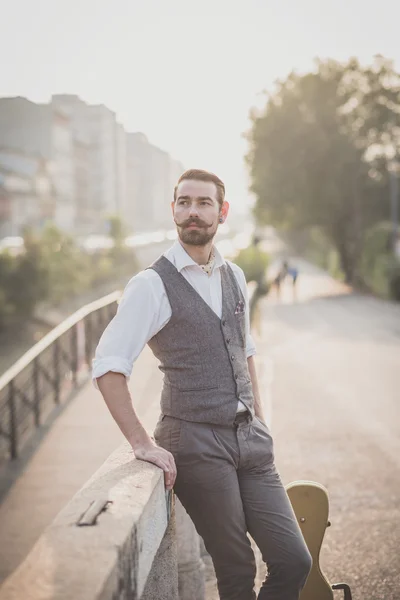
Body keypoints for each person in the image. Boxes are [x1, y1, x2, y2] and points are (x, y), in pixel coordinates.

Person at [93, 169, 312, 600]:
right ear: (173, 209)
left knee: (293, 560)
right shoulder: (151, 284)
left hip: (249, 440)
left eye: (204, 203)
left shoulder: (232, 276)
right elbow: (108, 366)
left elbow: (245, 350)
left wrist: (260, 421)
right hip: (194, 439)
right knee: (236, 568)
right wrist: (141, 442)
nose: (193, 211)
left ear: (222, 212)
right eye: (184, 202)